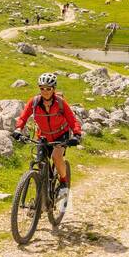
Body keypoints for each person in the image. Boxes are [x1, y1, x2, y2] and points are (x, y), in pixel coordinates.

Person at [14, 72, 81, 215]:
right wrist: (18, 129)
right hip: (43, 136)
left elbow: (72, 120)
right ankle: (40, 200)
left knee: (57, 157)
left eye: (48, 88)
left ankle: (63, 183)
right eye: (42, 88)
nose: (45, 91)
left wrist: (76, 134)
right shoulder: (34, 102)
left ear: (54, 89)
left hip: (60, 136)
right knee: (40, 163)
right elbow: (23, 117)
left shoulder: (60, 103)